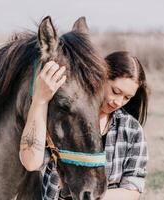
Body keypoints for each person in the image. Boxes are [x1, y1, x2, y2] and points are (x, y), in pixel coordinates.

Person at [19, 51, 149, 200]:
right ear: (101, 77)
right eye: (115, 91)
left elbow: (133, 189)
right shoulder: (65, 116)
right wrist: (39, 100)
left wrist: (91, 196)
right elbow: (31, 162)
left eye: (127, 97)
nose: (118, 102)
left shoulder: (132, 130)